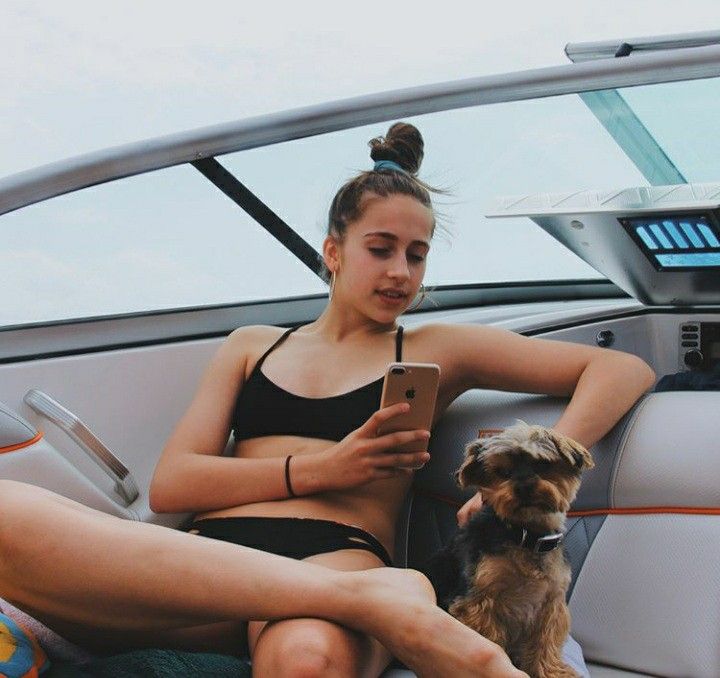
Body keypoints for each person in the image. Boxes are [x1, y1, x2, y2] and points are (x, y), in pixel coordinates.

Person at [0, 122, 655, 677]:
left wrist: (526, 473)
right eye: (381, 249)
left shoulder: (436, 346)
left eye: (417, 255)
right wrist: (323, 469)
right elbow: (174, 486)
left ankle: (373, 600)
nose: (401, 271)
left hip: (333, 550)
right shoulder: (252, 345)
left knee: (307, 654)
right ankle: (385, 604)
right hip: (209, 563)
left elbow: (618, 369)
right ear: (333, 252)